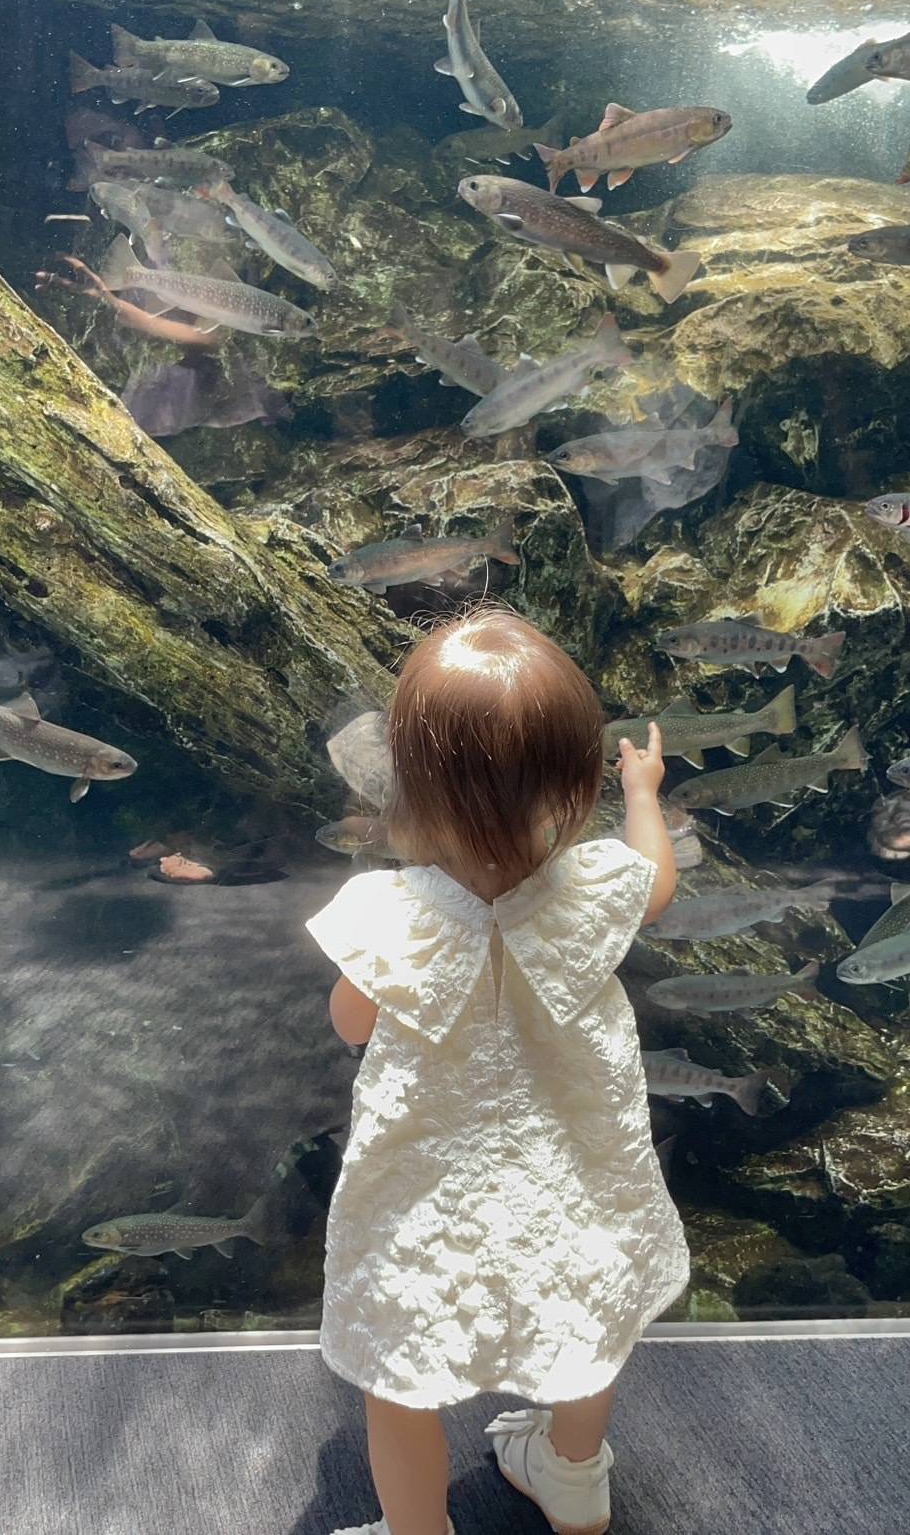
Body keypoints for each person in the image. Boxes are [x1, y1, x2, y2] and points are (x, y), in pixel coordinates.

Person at [306, 608, 690, 1535]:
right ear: (570, 781)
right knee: (589, 1318)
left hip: (427, 1185)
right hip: (571, 1167)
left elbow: (350, 1021)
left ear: (411, 785)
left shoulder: (386, 908)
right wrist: (642, 793)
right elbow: (659, 882)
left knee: (399, 1372)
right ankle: (570, 1473)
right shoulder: (595, 882)